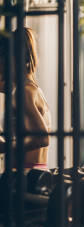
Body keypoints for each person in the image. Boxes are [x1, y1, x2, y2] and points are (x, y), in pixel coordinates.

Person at [0, 28, 51, 168]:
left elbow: (42, 138)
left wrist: (5, 146)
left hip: (23, 176)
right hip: (34, 173)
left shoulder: (23, 92)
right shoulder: (32, 89)